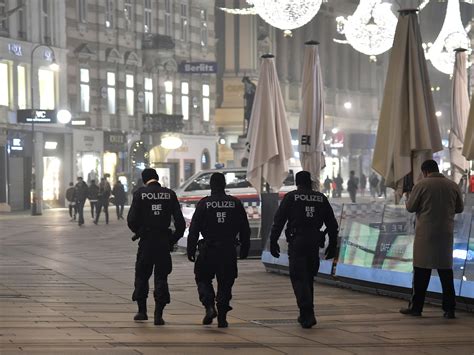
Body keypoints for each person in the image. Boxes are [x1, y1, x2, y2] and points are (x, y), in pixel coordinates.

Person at [269, 171, 339, 329]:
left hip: (298, 242)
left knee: (299, 278)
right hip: (314, 242)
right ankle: (306, 312)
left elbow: (278, 221)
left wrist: (273, 241)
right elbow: (332, 224)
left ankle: (307, 313)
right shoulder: (321, 198)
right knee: (308, 277)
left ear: (296, 182)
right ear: (310, 182)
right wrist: (333, 244)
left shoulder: (291, 197)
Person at [401, 160, 464, 319]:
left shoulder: (421, 185)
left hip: (425, 235)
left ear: (424, 171)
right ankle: (449, 309)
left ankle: (416, 307)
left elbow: (410, 207)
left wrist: (408, 198)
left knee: (421, 273)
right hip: (445, 234)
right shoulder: (452, 185)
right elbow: (460, 208)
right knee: (446, 275)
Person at [187, 173, 251, 328]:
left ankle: (209, 306)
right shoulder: (235, 203)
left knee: (202, 278)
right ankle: (222, 316)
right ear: (224, 185)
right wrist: (245, 247)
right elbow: (245, 228)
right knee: (226, 282)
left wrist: (191, 248)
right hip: (228, 250)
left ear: (211, 185)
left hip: (208, 249)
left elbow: (194, 229)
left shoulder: (204, 204)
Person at [127, 168, 186, 325]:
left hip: (146, 242)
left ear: (144, 179)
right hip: (162, 242)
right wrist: (172, 239)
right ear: (157, 178)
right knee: (161, 277)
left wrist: (139, 231)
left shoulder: (140, 194)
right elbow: (180, 223)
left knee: (142, 275)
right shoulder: (169, 194)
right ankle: (158, 315)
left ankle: (142, 311)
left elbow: (131, 219)